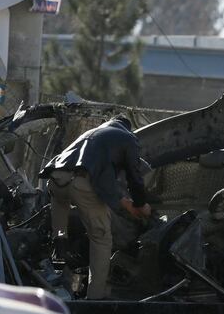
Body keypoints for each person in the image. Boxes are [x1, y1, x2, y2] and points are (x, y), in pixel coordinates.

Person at [39, 115, 151, 299]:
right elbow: (134, 176)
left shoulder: (91, 134)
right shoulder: (127, 138)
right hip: (81, 184)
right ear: (127, 127)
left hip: (56, 181)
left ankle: (56, 271)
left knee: (60, 233)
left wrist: (125, 203)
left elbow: (104, 179)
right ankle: (95, 298)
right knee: (101, 239)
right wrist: (140, 204)